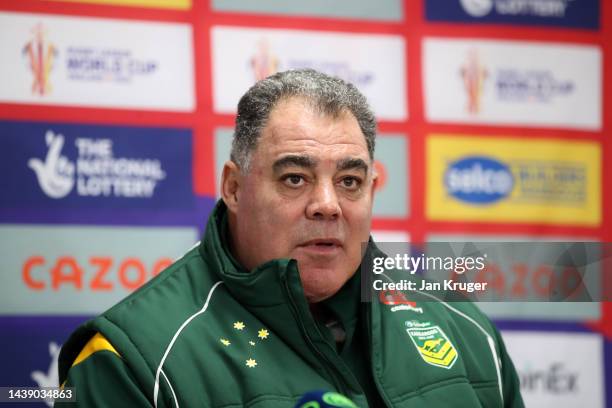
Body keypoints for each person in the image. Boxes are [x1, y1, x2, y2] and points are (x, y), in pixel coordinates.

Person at [57, 69, 524, 407]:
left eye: (349, 181)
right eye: (295, 178)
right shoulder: (132, 358)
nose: (328, 204)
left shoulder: (464, 327)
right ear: (234, 188)